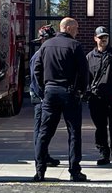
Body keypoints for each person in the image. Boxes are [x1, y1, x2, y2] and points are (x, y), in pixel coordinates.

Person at [32, 17, 89, 182]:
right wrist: (80, 91)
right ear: (69, 28)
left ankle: (40, 171)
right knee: (73, 133)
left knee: (44, 133)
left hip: (50, 92)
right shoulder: (75, 46)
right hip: (69, 93)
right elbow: (83, 71)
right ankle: (74, 171)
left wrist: (43, 90)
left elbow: (36, 70)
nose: (77, 31)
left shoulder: (46, 45)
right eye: (76, 28)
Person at [86, 26, 112, 167]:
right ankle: (104, 155)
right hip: (96, 99)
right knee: (100, 128)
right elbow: (87, 78)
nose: (104, 39)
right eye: (101, 37)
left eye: (106, 37)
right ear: (95, 38)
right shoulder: (89, 57)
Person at [27, 25, 61, 169]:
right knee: (40, 129)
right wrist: (43, 95)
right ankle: (40, 158)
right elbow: (36, 79)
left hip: (44, 96)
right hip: (40, 97)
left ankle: (44, 155)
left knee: (45, 129)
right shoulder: (39, 56)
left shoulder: (45, 53)